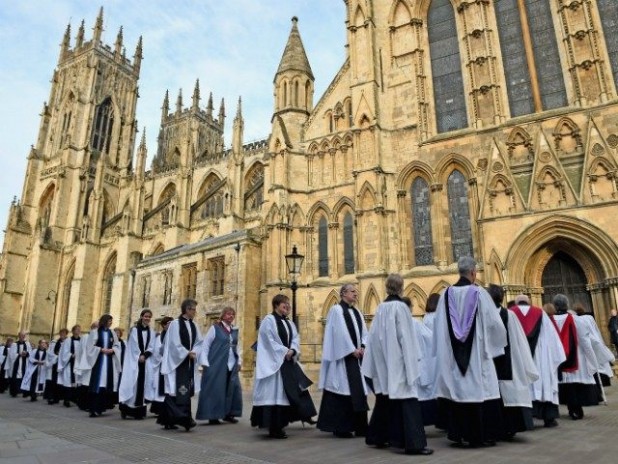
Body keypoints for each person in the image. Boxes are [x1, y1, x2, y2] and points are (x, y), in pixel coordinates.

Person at [432, 257, 507, 448]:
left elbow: (439, 326)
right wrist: (494, 347)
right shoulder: (480, 293)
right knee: (481, 391)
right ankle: (481, 435)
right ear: (473, 272)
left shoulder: (446, 294)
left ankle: (459, 434)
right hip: (478, 354)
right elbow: (494, 324)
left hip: (454, 356)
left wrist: (445, 350)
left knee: (459, 391)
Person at [361, 274, 432, 455]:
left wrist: (377, 365)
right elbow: (406, 339)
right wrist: (412, 365)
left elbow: (374, 339)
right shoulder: (401, 308)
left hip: (385, 365)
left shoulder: (381, 308)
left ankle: (378, 436)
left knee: (386, 399)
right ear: (401, 288)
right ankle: (413, 444)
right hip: (400, 365)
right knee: (407, 402)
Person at [251, 294, 317, 439]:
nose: (287, 307)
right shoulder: (269, 320)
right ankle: (274, 428)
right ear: (276, 305)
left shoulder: (289, 323)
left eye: (288, 305)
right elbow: (267, 340)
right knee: (275, 395)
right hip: (274, 364)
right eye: (284, 305)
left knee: (292, 390)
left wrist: (293, 350)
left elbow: (295, 338)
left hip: (287, 361)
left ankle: (290, 420)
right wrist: (283, 351)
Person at [317, 284, 369, 438]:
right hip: (343, 359)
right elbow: (338, 333)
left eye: (356, 292)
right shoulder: (336, 311)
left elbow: (364, 332)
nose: (356, 294)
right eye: (353, 291)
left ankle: (360, 427)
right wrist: (351, 349)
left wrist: (363, 346)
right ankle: (342, 427)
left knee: (358, 391)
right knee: (343, 391)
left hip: (357, 358)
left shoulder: (357, 312)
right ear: (343, 293)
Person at [487, 286, 538, 440]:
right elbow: (520, 340)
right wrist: (526, 361)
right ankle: (509, 428)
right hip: (505, 362)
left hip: (502, 362)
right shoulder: (508, 315)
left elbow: (518, 339)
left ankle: (502, 428)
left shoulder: (498, 316)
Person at [509, 294, 565, 428]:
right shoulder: (541, 313)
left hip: (518, 357)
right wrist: (555, 359)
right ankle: (549, 418)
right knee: (544, 383)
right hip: (541, 359)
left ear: (517, 303)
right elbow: (553, 339)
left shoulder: (510, 313)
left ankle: (524, 421)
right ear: (528, 302)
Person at [158, 299, 204, 431]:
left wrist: (194, 351)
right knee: (175, 390)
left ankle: (167, 419)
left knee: (183, 390)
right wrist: (185, 353)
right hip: (176, 363)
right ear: (187, 309)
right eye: (193, 309)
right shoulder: (175, 324)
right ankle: (185, 419)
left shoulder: (194, 325)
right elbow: (173, 343)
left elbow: (199, 342)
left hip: (187, 362)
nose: (195, 312)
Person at [552, 294, 600, 420]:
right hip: (576, 357)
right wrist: (592, 360)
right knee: (575, 384)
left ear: (555, 306)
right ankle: (577, 409)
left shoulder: (549, 320)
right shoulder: (577, 320)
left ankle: (571, 408)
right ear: (567, 305)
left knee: (566, 385)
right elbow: (585, 341)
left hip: (559, 359)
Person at [196, 307, 243, 425]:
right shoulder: (215, 328)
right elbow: (206, 345)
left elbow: (237, 347)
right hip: (217, 363)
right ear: (222, 316)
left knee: (232, 388)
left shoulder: (234, 330)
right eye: (228, 314)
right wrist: (204, 362)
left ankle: (228, 414)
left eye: (233, 314)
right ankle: (213, 415)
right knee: (216, 389)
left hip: (231, 364)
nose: (231, 316)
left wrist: (239, 362)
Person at [78, 314, 121, 417]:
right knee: (97, 384)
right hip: (98, 361)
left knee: (105, 384)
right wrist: (101, 349)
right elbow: (90, 347)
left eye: (112, 321)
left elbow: (117, 345)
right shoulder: (95, 332)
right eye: (109, 320)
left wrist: (113, 350)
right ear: (104, 321)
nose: (111, 322)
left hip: (108, 362)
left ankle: (101, 408)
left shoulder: (112, 333)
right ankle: (93, 409)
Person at [119, 309, 156, 420]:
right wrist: (139, 355)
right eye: (145, 316)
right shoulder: (135, 330)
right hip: (135, 361)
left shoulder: (151, 331)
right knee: (133, 385)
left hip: (145, 361)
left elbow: (152, 345)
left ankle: (139, 412)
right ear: (141, 317)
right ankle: (126, 410)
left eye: (149, 317)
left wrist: (145, 355)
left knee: (143, 385)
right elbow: (133, 345)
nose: (147, 318)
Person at [145, 316, 173, 416]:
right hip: (160, 365)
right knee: (159, 388)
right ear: (164, 325)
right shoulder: (158, 337)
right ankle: (158, 409)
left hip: (169, 366)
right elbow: (156, 350)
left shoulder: (173, 336)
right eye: (169, 323)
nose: (170, 326)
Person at [58, 325, 83, 408]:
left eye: (80, 329)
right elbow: (64, 352)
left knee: (76, 382)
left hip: (78, 365)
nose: (79, 331)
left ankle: (74, 399)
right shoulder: (68, 340)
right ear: (73, 331)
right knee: (68, 382)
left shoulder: (81, 340)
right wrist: (71, 355)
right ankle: (66, 400)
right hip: (69, 364)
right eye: (77, 329)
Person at [44, 329, 68, 405]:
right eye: (61, 333)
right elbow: (50, 353)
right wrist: (57, 355)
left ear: (66, 334)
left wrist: (62, 355)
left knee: (64, 381)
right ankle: (53, 398)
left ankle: (63, 398)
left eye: (64, 333)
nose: (62, 335)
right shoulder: (55, 343)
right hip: (56, 364)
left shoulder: (68, 342)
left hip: (65, 364)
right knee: (54, 381)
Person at [8, 331, 32, 397]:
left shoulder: (27, 344)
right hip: (17, 363)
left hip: (25, 363)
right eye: (21, 336)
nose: (22, 337)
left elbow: (30, 352)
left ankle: (25, 392)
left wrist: (26, 353)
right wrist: (19, 354)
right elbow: (11, 355)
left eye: (24, 336)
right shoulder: (14, 344)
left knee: (24, 376)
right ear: (19, 336)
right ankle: (14, 392)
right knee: (16, 377)